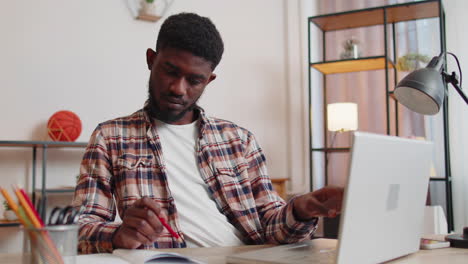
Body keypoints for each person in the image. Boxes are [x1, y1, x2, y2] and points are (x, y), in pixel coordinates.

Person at [72, 12, 343, 254]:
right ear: (151, 60)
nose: (178, 88)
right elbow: (82, 231)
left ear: (209, 80)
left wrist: (301, 209)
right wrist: (119, 234)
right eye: (170, 71)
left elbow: (272, 227)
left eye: (194, 80)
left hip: (247, 259)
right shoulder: (111, 137)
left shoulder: (239, 140)